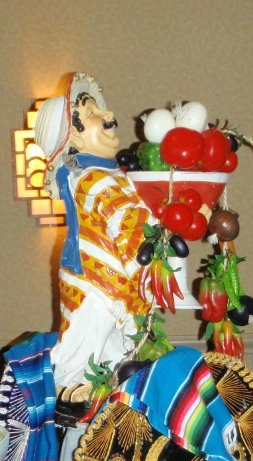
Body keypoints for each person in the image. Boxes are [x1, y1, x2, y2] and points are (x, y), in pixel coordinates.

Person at [33, 73, 154, 399]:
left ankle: (112, 394)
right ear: (74, 135)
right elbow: (126, 219)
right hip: (95, 281)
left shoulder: (115, 174)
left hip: (115, 279)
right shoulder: (88, 178)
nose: (108, 115)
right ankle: (68, 390)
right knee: (87, 337)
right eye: (92, 113)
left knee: (119, 348)